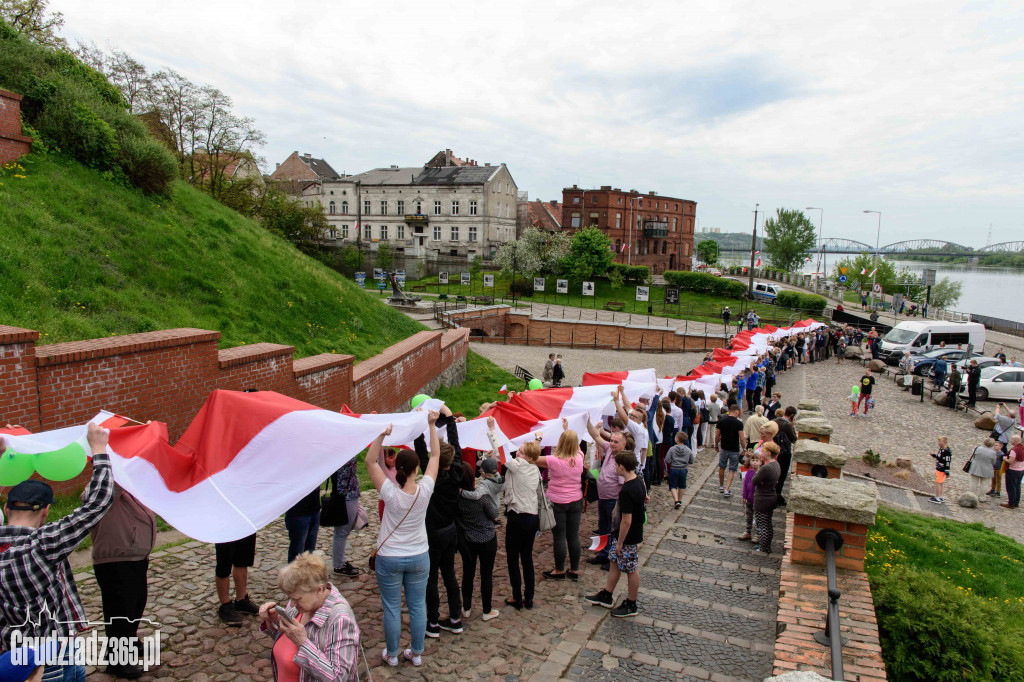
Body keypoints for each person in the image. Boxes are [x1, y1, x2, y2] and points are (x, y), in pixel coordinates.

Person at [0, 423, 113, 682]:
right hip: (46, 658)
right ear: (46, 512)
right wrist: (99, 449)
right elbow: (96, 504)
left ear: (6, 509)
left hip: (14, 655)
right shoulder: (42, 545)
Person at [366, 416, 438, 667]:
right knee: (418, 606)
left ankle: (393, 654)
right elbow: (436, 458)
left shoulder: (389, 492)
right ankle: (417, 653)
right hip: (419, 555)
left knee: (392, 608)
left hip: (390, 556)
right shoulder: (425, 489)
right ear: (417, 469)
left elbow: (368, 461)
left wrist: (382, 434)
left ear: (397, 469)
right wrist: (431, 426)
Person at [89, 483, 158, 680]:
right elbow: (111, 488)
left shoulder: (130, 488)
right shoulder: (100, 488)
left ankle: (129, 641)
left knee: (135, 605)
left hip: (135, 558)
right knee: (120, 611)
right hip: (115, 561)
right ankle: (118, 661)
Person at [258, 552, 360, 680]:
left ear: (319, 589)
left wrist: (303, 643)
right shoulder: (303, 602)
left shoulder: (340, 619)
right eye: (291, 598)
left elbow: (338, 677)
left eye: (297, 599)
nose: (293, 604)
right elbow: (288, 644)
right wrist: (273, 623)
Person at [414, 405, 466, 639]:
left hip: (432, 533)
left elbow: (422, 452)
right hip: (450, 531)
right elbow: (455, 444)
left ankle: (433, 622)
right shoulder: (457, 472)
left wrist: (420, 424)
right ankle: (455, 619)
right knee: (450, 575)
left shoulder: (431, 477)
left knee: (431, 578)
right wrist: (448, 415)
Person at [584, 449, 646, 618]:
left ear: (621, 467)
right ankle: (607, 594)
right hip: (621, 532)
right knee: (613, 561)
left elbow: (627, 520)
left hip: (627, 535)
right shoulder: (638, 480)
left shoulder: (627, 489)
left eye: (616, 465)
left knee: (631, 568)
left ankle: (631, 603)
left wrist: (620, 542)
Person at [536, 423, 584, 581]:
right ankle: (575, 569)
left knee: (559, 537)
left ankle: (559, 569)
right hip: (576, 500)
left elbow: (532, 457)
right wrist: (566, 429)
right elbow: (575, 446)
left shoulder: (553, 460)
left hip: (558, 501)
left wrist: (538, 439)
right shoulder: (580, 457)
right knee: (573, 536)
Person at [457, 463, 500, 623]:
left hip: (468, 540)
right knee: (486, 574)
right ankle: (487, 610)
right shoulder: (481, 497)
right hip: (487, 538)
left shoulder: (457, 498)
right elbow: (494, 513)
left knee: (468, 573)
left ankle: (466, 607)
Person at [503, 439, 542, 610]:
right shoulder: (536, 470)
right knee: (527, 558)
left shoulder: (517, 465)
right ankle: (529, 597)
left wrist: (492, 430)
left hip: (517, 516)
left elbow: (502, 453)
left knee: (512, 559)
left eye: (520, 452)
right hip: (532, 517)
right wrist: (537, 440)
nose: (517, 453)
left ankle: (517, 597)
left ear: (527, 457)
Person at [330, 459, 362, 577]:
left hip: (350, 493)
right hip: (344, 496)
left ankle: (340, 562)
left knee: (343, 531)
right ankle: (339, 565)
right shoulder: (339, 453)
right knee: (341, 532)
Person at [751, 442, 781, 553]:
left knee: (762, 524)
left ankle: (764, 547)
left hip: (763, 498)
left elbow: (754, 480)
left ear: (768, 453)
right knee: (767, 523)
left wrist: (759, 477)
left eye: (763, 450)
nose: (761, 452)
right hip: (771, 497)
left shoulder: (766, 468)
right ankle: (766, 546)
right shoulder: (776, 464)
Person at [715, 404, 747, 498]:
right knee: (732, 470)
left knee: (722, 467)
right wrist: (744, 448)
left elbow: (717, 435)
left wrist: (716, 445)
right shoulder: (739, 423)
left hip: (724, 447)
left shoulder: (722, 421)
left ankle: (721, 486)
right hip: (734, 449)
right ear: (736, 411)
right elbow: (741, 438)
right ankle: (727, 489)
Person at [286, 486, 322, 565]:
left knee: (310, 549)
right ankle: (294, 575)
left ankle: (306, 573)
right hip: (298, 512)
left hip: (314, 509)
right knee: (297, 550)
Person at [772, 407, 797, 505]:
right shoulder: (787, 425)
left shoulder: (774, 421)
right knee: (781, 475)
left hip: (773, 451)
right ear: (792, 415)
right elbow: (794, 439)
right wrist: (793, 426)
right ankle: (777, 495)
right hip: (784, 453)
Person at [664, 431, 695, 509]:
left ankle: (676, 500)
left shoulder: (672, 449)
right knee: (682, 486)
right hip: (683, 469)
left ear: (676, 439)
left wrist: (672, 462)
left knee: (673, 486)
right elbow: (692, 460)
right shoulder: (688, 450)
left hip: (674, 469)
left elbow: (667, 460)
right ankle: (680, 500)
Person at [738, 452, 762, 542]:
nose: (755, 462)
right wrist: (744, 496)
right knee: (749, 516)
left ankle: (758, 534)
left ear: (760, 462)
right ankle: (748, 531)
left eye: (757, 460)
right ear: (750, 462)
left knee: (758, 518)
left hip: (758, 500)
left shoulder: (761, 473)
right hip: (749, 499)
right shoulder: (749, 472)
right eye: (753, 460)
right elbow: (745, 485)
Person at [967, 438, 999, 503]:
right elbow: (993, 462)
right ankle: (982, 497)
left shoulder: (978, 448)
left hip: (976, 467)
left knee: (973, 482)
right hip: (987, 469)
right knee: (984, 484)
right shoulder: (993, 453)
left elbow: (974, 457)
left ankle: (971, 495)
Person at [1001, 435, 1023, 509]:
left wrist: (1004, 459)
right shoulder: (1022, 448)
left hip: (1013, 470)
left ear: (1016, 441)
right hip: (1021, 470)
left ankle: (1011, 503)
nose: (1010, 441)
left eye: (1012, 440)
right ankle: (1016, 502)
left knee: (1011, 487)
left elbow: (1011, 461)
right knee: (1017, 486)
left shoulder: (1014, 450)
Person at [929, 437, 952, 504]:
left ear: (944, 442)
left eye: (940, 441)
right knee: (941, 483)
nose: (938, 443)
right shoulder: (942, 449)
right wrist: (934, 455)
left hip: (941, 469)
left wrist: (947, 471)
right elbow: (940, 457)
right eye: (938, 441)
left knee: (938, 483)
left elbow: (947, 461)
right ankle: (941, 496)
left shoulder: (946, 451)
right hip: (939, 468)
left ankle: (937, 497)